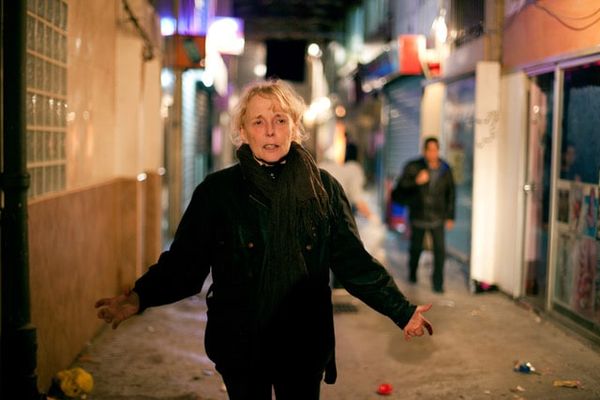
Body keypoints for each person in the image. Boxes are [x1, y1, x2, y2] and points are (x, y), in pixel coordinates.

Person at [95, 79, 433, 400]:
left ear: (295, 129)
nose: (270, 130)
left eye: (280, 120)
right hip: (240, 340)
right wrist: (140, 297)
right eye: (258, 121)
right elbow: (185, 264)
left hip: (303, 341)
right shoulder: (217, 193)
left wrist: (401, 310)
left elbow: (353, 262)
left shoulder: (324, 189)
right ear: (242, 132)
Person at [396, 137, 455, 293]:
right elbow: (400, 186)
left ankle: (438, 283)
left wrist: (450, 216)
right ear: (424, 151)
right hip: (418, 216)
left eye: (435, 150)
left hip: (437, 217)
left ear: (438, 150)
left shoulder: (445, 169)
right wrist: (416, 181)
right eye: (429, 150)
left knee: (440, 251)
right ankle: (412, 273)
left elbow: (451, 194)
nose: (432, 153)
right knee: (416, 248)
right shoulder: (414, 166)